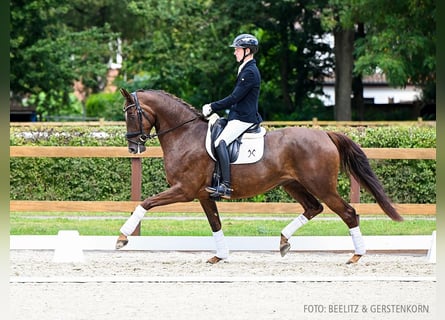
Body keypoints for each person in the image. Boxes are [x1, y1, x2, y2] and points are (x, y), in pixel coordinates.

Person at [202, 33, 263, 199]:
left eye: (237, 49)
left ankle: (226, 186)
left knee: (220, 141)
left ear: (247, 51)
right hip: (237, 115)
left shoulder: (250, 72)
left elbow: (235, 97)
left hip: (245, 118)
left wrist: (212, 106)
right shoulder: (244, 68)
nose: (235, 52)